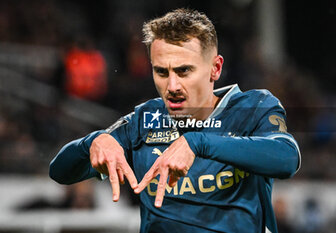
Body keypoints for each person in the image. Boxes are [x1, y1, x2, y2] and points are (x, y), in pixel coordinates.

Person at [49, 8, 301, 233]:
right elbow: (60, 172)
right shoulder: (145, 120)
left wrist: (197, 143)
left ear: (215, 68)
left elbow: (287, 159)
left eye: (184, 71)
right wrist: (93, 142)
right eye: (161, 72)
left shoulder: (252, 108)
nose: (172, 86)